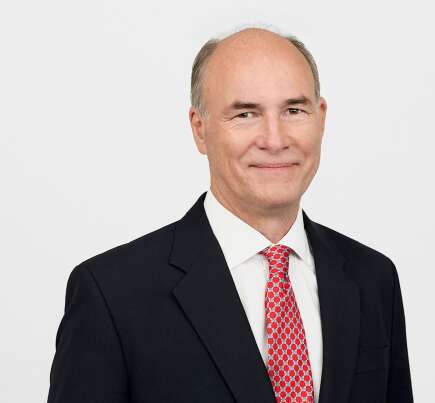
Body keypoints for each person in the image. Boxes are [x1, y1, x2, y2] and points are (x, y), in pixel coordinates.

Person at [47, 27, 413, 403]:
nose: (275, 139)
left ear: (320, 118)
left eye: (294, 110)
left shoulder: (373, 278)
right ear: (199, 129)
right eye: (245, 114)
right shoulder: (112, 295)